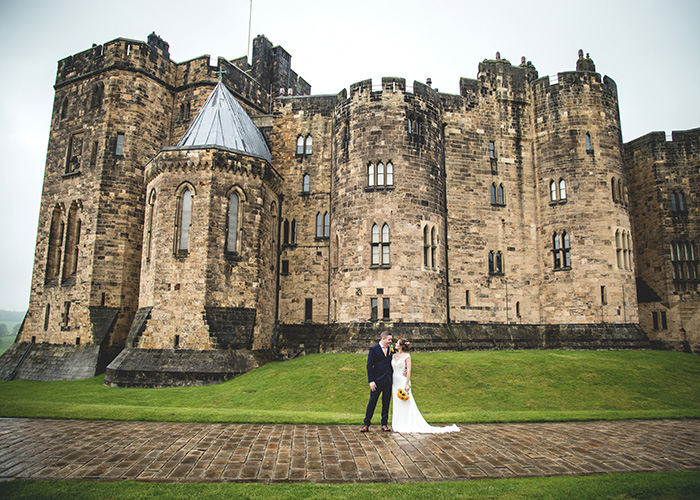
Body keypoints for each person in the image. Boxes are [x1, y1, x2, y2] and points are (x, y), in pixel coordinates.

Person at [391, 338, 459, 434]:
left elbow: (409, 370)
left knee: (406, 402)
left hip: (402, 380)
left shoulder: (407, 356)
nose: (396, 344)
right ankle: (398, 423)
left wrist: (406, 383)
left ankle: (407, 423)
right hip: (395, 381)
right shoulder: (393, 355)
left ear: (401, 346)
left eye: (397, 343)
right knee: (397, 402)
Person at [361, 331, 393, 432]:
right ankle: (366, 424)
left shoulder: (391, 349)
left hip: (388, 380)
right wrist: (371, 380)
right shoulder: (374, 349)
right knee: (372, 402)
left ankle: (384, 424)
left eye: (391, 340)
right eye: (389, 340)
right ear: (383, 339)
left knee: (386, 403)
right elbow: (369, 366)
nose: (390, 342)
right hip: (377, 380)